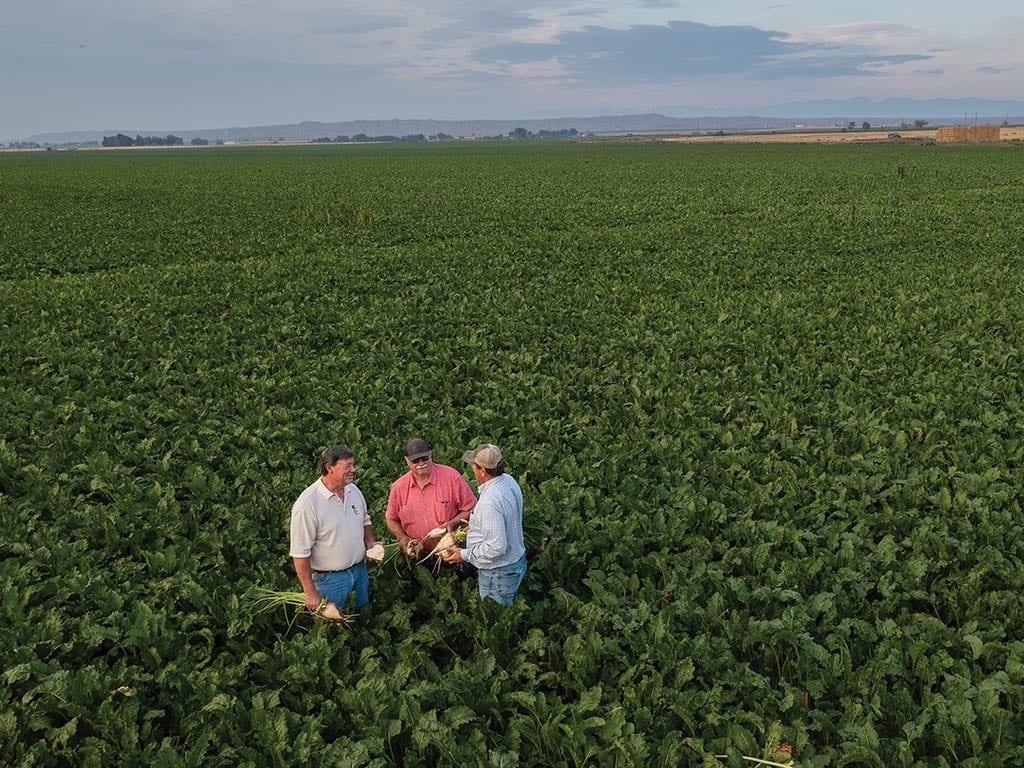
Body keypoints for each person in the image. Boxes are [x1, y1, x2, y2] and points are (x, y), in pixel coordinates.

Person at [290, 444, 379, 612]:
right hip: (330, 580)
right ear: (329, 467)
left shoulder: (353, 490)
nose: (354, 469)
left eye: (353, 464)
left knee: (362, 617)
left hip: (359, 571)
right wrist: (310, 592)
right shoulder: (307, 504)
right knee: (334, 629)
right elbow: (300, 553)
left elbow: (365, 520)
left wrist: (371, 542)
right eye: (348, 465)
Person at [444, 443, 526, 606]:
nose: (472, 469)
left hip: (498, 573)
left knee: (496, 621)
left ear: (482, 470)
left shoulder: (490, 501)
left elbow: (497, 547)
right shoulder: (508, 481)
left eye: (474, 466)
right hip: (515, 562)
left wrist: (463, 554)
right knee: (509, 613)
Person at [385, 437, 477, 561]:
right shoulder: (399, 487)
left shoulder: (451, 478)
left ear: (430, 454)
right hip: (418, 555)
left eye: (425, 458)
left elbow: (471, 508)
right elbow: (391, 518)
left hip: (451, 552)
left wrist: (452, 523)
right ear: (407, 461)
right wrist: (402, 537)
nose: (421, 463)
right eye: (415, 460)